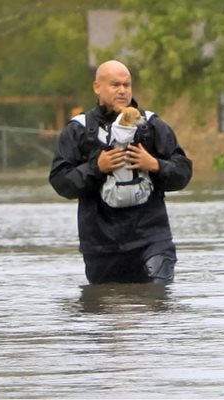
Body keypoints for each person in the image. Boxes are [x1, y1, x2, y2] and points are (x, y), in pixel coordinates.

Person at [49, 60, 193, 285]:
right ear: (97, 87)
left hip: (151, 239)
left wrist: (155, 164)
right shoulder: (78, 130)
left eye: (127, 85)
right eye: (115, 85)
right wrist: (97, 168)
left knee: (156, 301)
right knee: (106, 310)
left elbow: (183, 172)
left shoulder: (152, 126)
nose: (122, 90)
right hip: (101, 246)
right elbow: (60, 182)